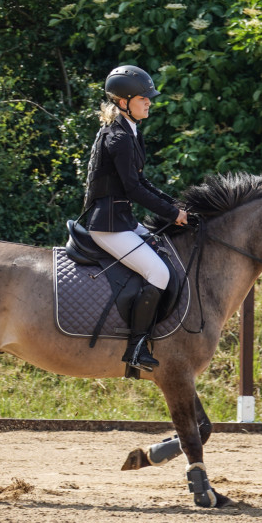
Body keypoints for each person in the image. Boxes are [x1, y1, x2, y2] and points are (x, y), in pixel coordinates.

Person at [82, 65, 188, 371]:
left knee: (166, 258)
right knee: (159, 274)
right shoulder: (119, 138)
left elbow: (142, 183)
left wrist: (176, 206)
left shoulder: (130, 131)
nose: (149, 102)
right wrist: (171, 212)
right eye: (144, 98)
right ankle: (136, 347)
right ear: (123, 101)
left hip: (122, 220)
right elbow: (133, 189)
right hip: (108, 225)